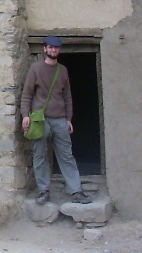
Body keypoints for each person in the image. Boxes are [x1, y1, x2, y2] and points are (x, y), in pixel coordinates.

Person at [21, 36, 92, 205]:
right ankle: (43, 190)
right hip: (40, 120)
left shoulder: (63, 70)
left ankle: (76, 190)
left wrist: (69, 118)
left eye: (56, 48)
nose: (53, 50)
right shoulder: (35, 69)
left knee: (66, 155)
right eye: (50, 47)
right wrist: (25, 115)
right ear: (44, 49)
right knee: (40, 155)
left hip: (60, 119)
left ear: (59, 50)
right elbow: (27, 94)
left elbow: (67, 96)